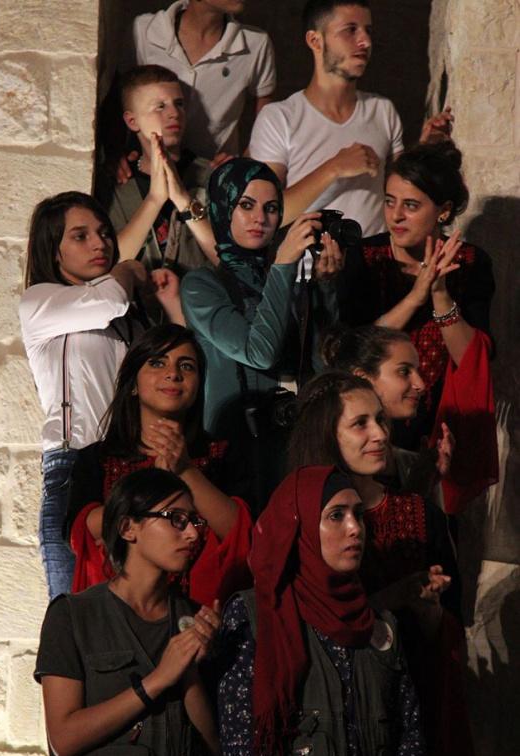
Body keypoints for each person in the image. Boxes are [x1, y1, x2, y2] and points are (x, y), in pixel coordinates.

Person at [288, 371, 476, 756]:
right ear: (326, 435)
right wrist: (393, 597)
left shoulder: (420, 515)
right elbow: (301, 626)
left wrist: (428, 610)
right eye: (360, 423)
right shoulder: (298, 520)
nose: (379, 434)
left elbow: (449, 629)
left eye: (381, 420)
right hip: (327, 718)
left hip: (412, 712)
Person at [218, 464, 427, 756]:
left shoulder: (379, 625)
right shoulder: (256, 616)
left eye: (358, 515)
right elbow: (245, 745)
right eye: (336, 516)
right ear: (297, 526)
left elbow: (410, 734)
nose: (354, 528)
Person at [35, 467, 222, 756]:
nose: (193, 534)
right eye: (176, 519)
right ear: (127, 528)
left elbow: (214, 752)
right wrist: (156, 681)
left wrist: (189, 670)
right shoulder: (73, 616)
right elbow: (63, 738)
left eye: (195, 521)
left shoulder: (193, 619)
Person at [180, 156, 343, 512]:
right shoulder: (201, 285)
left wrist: (325, 288)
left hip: (292, 441)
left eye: (271, 208)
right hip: (234, 450)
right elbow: (259, 352)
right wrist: (284, 264)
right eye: (246, 205)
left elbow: (321, 366)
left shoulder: (286, 282)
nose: (260, 218)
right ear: (223, 209)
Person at [342, 141, 497, 511]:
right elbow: (354, 348)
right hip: (371, 421)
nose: (395, 216)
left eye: (411, 205)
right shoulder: (365, 258)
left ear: (443, 211)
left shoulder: (471, 262)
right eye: (389, 201)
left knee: (432, 529)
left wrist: (440, 293)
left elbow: (473, 358)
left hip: (439, 424)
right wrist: (415, 296)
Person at [19, 191, 150, 600]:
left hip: (130, 466)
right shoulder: (39, 301)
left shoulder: (127, 322)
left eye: (104, 233)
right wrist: (127, 270)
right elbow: (109, 298)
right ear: (53, 250)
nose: (100, 243)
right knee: (73, 615)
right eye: (80, 236)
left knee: (133, 610)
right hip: (72, 464)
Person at [66, 323, 252, 606]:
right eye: (157, 363)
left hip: (203, 614)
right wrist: (152, 486)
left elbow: (241, 534)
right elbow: (81, 532)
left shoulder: (223, 454)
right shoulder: (97, 458)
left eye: (187, 366)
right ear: (133, 385)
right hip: (121, 615)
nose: (173, 374)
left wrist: (185, 470)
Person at [249, 0, 453, 232]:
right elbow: (263, 213)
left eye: (368, 31)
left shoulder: (382, 110)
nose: (365, 42)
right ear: (315, 41)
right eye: (350, 30)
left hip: (375, 253)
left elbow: (398, 191)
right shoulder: (279, 118)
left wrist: (424, 151)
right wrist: (334, 168)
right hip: (309, 254)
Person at [99, 65, 218, 290]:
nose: (174, 113)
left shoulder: (211, 176)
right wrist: (154, 199)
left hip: (198, 305)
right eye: (160, 106)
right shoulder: (119, 183)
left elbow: (230, 263)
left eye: (179, 104)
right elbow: (109, 263)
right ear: (132, 121)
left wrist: (185, 201)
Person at [131, 0, 276, 161]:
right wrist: (115, 152)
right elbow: (120, 92)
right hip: (148, 164)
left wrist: (245, 163)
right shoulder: (144, 30)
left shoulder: (255, 43)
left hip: (214, 169)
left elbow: (265, 107)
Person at [322, 324, 454, 500]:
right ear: (363, 378)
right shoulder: (335, 467)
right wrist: (418, 487)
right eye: (404, 372)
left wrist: (429, 480)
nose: (421, 385)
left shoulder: (409, 462)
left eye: (417, 371)